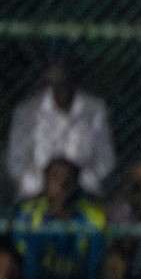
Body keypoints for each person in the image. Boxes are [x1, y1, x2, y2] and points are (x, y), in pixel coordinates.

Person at [6, 58, 115, 199]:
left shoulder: (94, 109)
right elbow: (16, 162)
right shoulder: (28, 111)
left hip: (83, 195)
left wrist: (78, 183)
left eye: (64, 69)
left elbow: (106, 159)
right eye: (54, 69)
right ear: (46, 75)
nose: (59, 75)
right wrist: (44, 186)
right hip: (38, 196)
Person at [12, 158, 107, 279]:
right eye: (55, 177)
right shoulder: (28, 213)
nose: (61, 184)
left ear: (76, 184)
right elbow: (25, 259)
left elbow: (94, 264)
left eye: (67, 179)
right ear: (45, 181)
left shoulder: (90, 215)